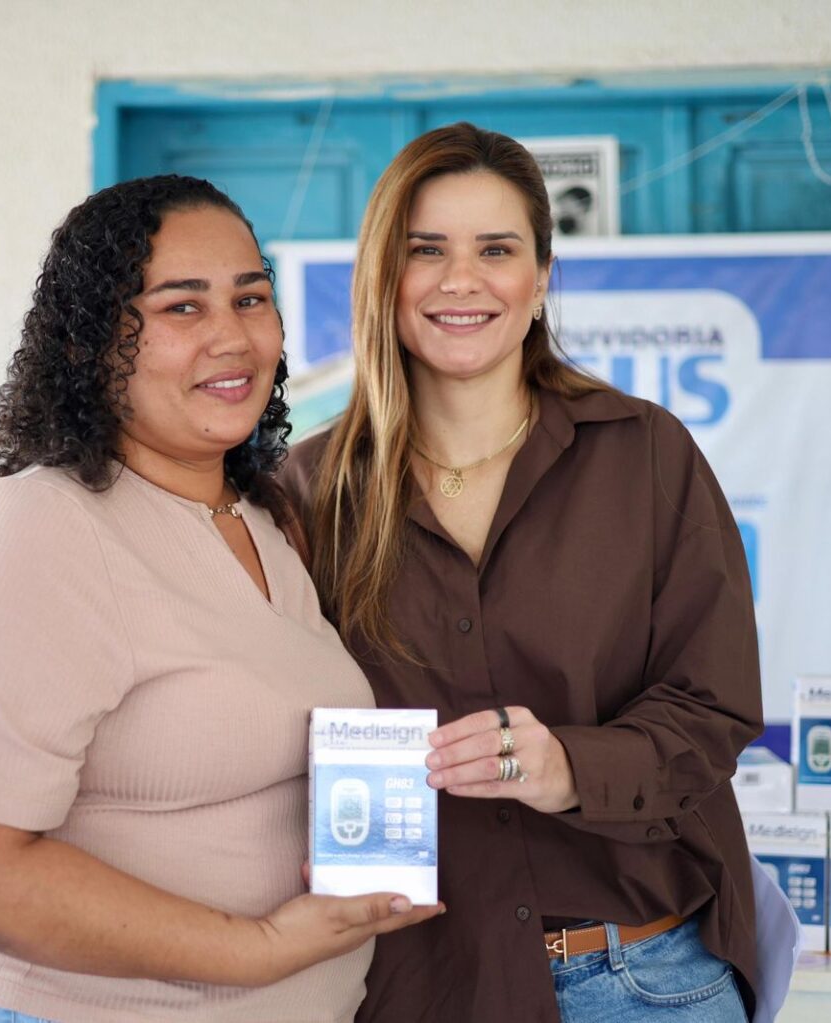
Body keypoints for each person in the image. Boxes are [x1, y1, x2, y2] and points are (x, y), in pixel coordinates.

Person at [0, 174, 442, 1023]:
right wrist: (256, 948)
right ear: (92, 341)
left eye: (250, 298)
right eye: (182, 307)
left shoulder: (266, 519)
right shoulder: (38, 528)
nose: (232, 336)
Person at [282, 124, 763, 1022]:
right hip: (419, 987)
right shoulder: (306, 494)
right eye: (426, 250)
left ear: (541, 278)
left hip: (643, 978)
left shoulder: (647, 455)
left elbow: (715, 707)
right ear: (384, 278)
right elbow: (264, 721)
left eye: (495, 250)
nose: (461, 280)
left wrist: (568, 765)